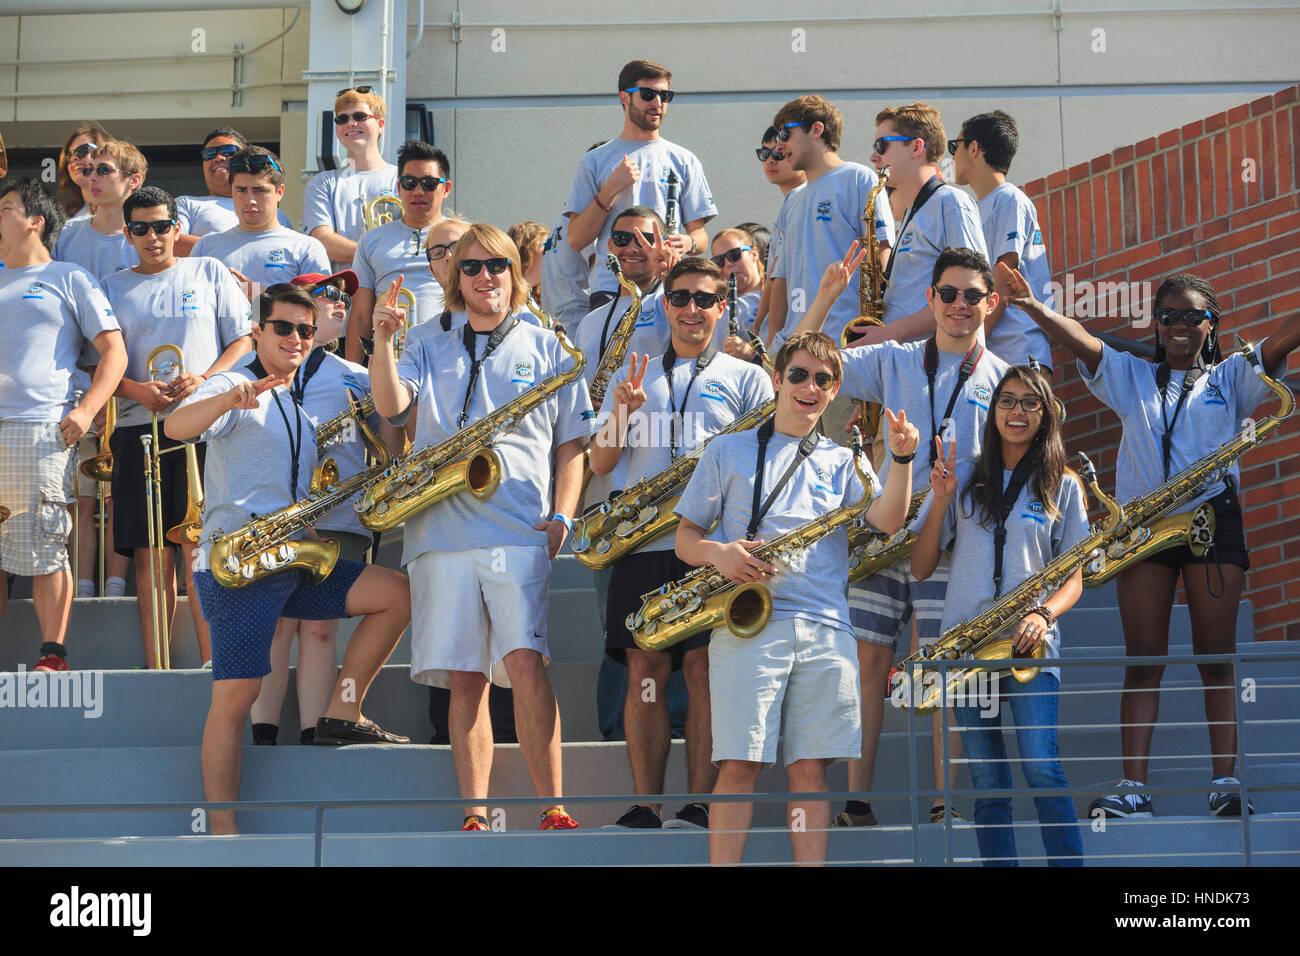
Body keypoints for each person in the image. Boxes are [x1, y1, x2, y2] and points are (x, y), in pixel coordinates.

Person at [1004, 265, 1300, 817]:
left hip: (1213, 519)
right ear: (1157, 326)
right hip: (1144, 528)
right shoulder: (1133, 375)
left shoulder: (1231, 377)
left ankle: (1224, 783)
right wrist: (1031, 307)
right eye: (1169, 316)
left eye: (1193, 316)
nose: (1180, 324)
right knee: (1143, 659)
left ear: (1211, 325)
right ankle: (1134, 789)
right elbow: (1083, 340)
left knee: (1215, 658)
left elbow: (1282, 340)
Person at [166, 284, 411, 836]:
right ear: (258, 332)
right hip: (243, 564)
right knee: (236, 697)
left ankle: (343, 709)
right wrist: (224, 398)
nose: (296, 338)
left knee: (397, 593)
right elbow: (176, 428)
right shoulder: (238, 383)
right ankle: (223, 836)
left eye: (305, 329)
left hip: (294, 557)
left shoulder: (294, 406)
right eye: (283, 328)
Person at [369, 223, 591, 832]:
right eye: (471, 267)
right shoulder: (422, 338)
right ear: (453, 277)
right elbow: (391, 409)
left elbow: (574, 445)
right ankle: (475, 813)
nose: (484, 276)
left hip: (519, 527)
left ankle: (553, 806)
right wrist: (381, 344)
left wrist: (564, 515)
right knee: (465, 677)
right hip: (439, 532)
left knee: (525, 664)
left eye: (496, 264)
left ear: (515, 272)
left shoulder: (550, 346)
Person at [672, 329, 917, 864]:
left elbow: (889, 520)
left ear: (834, 390)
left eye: (823, 379)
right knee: (740, 764)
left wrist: (901, 460)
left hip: (826, 626)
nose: (809, 387)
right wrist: (721, 554)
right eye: (800, 375)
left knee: (809, 770)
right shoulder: (728, 448)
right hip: (748, 623)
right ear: (778, 380)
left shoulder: (842, 459)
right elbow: (685, 539)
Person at [795, 244, 1010, 826]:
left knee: (941, 668)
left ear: (990, 302)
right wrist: (824, 299)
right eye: (947, 294)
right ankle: (857, 802)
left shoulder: (1007, 379)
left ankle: (943, 805)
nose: (958, 305)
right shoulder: (892, 359)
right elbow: (803, 365)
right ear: (929, 299)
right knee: (866, 667)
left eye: (971, 295)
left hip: (954, 545)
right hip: (881, 542)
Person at [589, 257, 775, 830]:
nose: (691, 308)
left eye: (704, 299)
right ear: (664, 304)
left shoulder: (751, 381)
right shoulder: (632, 369)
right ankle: (647, 804)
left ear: (723, 307)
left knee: (702, 670)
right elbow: (600, 460)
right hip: (640, 543)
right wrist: (621, 410)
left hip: (712, 545)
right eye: (680, 298)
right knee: (645, 670)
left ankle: (699, 806)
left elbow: (765, 467)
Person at [910, 366, 1087, 866]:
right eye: (1007, 400)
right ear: (992, 413)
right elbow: (922, 568)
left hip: (1029, 642)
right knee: (987, 779)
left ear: (1046, 413)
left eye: (1030, 402)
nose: (1017, 411)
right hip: (968, 649)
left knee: (1041, 767)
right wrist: (941, 500)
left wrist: (1045, 614)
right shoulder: (963, 474)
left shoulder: (1064, 485)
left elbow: (1074, 577)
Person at [102, 185, 253, 669]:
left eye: (162, 226)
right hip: (138, 428)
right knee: (151, 553)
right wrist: (137, 391)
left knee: (200, 549)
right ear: (127, 233)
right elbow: (95, 367)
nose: (153, 236)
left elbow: (245, 342)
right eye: (141, 228)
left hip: (206, 427)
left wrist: (205, 378)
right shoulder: (110, 285)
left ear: (177, 228)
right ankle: (157, 666)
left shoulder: (207, 270)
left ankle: (216, 665)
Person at [248, 274, 402, 746]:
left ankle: (317, 732)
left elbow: (393, 447)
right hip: (273, 518)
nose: (339, 302)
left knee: (318, 632)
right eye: (326, 294)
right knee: (275, 629)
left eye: (344, 296)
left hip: (338, 520)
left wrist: (386, 365)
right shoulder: (253, 369)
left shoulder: (357, 375)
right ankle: (263, 736)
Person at [0, 178, 127, 671]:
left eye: (6, 206)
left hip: (40, 426)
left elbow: (114, 350)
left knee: (44, 539)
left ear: (36, 221)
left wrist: (87, 408)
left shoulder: (68, 276)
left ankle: (52, 653)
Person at [565, 58, 716, 310]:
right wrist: (610, 190)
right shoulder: (595, 160)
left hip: (669, 285)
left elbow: (701, 237)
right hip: (612, 286)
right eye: (648, 94)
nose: (657, 103)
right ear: (625, 98)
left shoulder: (684, 160)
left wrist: (688, 242)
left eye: (665, 95)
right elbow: (576, 239)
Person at [764, 96, 894, 352]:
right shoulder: (792, 199)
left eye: (785, 133)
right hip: (791, 344)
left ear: (816, 129)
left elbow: (883, 252)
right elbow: (781, 277)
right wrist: (773, 339)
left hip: (841, 345)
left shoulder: (858, 178)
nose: (779, 146)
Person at [866, 103, 989, 342]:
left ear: (916, 146)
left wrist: (890, 332)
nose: (873, 156)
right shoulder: (916, 211)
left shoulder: (951, 202)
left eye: (882, 145)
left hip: (944, 368)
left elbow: (972, 294)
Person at [949, 110, 1055, 369]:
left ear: (974, 148)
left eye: (955, 146)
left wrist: (973, 340)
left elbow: (1005, 278)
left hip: (1018, 354)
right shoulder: (978, 208)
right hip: (993, 357)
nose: (952, 155)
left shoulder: (1008, 198)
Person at [345, 140, 452, 364]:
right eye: (409, 182)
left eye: (430, 183)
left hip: (450, 354)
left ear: (446, 189)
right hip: (390, 360)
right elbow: (361, 316)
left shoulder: (463, 237)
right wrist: (353, 376)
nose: (418, 190)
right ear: (398, 187)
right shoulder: (370, 241)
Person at [192, 146, 331, 293]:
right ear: (232, 191)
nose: (250, 200)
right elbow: (188, 309)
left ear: (279, 192)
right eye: (241, 190)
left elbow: (322, 311)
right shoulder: (205, 247)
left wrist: (262, 301)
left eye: (259, 190)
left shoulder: (306, 248)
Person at [302, 85, 400, 272]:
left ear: (380, 125)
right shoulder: (322, 183)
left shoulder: (403, 179)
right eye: (342, 118)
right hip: (343, 295)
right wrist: (379, 254)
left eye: (360, 116)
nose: (351, 123)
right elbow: (323, 241)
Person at [174, 128, 291, 256]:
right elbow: (171, 243)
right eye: (210, 154)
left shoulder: (276, 213)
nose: (218, 158)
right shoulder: (186, 203)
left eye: (228, 151)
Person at [52, 141, 145, 280]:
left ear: (134, 180)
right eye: (89, 170)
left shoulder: (148, 239)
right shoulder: (64, 234)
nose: (92, 177)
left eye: (104, 170)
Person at [752, 125, 806, 344]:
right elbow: (774, 274)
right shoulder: (789, 202)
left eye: (778, 154)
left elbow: (780, 277)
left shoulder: (803, 199)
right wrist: (757, 326)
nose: (770, 161)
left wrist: (773, 336)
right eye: (764, 154)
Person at [711, 226, 763, 343]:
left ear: (754, 254)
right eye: (719, 260)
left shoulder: (776, 298)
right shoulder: (714, 304)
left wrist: (751, 353)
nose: (728, 264)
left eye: (734, 255)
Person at [56, 122, 114, 222]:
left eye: (82, 151)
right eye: (69, 156)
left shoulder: (128, 213)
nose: (74, 158)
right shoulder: (63, 221)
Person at [509, 220, 548, 301]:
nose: (552, 252)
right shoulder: (504, 299)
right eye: (547, 245)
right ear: (528, 251)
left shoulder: (543, 295)